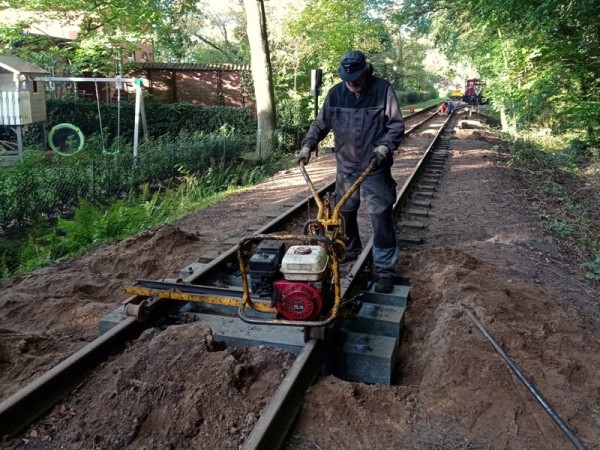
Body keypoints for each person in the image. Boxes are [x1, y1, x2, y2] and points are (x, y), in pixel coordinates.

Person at [295, 50, 405, 294]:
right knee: (343, 211)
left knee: (380, 214)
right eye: (347, 78)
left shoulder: (382, 90)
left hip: (374, 165)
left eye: (355, 77)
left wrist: (385, 147)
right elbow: (320, 123)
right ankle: (351, 248)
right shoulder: (336, 93)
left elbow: (396, 125)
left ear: (364, 71)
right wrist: (307, 146)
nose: (351, 82)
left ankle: (385, 268)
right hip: (346, 165)